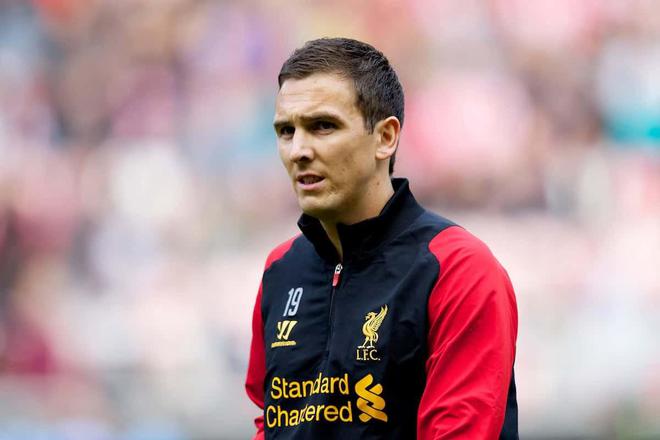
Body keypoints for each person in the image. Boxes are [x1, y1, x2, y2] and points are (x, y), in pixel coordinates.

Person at [245, 37, 518, 439]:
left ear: (386, 137)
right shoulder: (281, 270)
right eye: (286, 131)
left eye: (323, 126)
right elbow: (270, 422)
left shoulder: (457, 269)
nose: (298, 150)